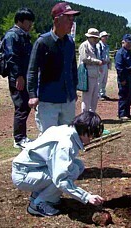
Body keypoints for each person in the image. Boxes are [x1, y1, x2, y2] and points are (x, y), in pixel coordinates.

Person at [11, 111, 105, 217]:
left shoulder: (65, 129)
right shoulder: (65, 144)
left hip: (33, 169)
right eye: (92, 136)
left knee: (78, 165)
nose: (90, 140)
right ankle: (37, 205)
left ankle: (39, 195)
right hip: (24, 175)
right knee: (71, 171)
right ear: (85, 131)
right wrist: (86, 196)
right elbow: (61, 179)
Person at [27, 2, 80, 134]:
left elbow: (73, 67)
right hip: (48, 100)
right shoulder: (42, 42)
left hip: (68, 99)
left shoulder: (70, 42)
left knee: (67, 136)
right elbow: (32, 70)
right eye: (68, 19)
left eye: (72, 19)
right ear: (57, 20)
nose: (71, 22)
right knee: (48, 138)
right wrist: (32, 95)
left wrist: (73, 89)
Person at [3, 8, 35, 149]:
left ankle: (21, 136)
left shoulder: (23, 35)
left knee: (25, 106)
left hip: (25, 75)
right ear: (20, 21)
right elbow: (12, 57)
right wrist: (19, 76)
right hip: (18, 77)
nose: (31, 25)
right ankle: (19, 139)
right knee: (21, 106)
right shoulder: (12, 35)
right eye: (29, 21)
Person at [78, 28, 103, 112]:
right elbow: (84, 58)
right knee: (87, 98)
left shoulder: (96, 47)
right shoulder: (84, 45)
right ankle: (84, 116)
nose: (97, 39)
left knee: (95, 97)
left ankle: (92, 116)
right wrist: (97, 61)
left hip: (95, 75)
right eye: (95, 37)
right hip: (87, 74)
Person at [115, 34, 131, 120]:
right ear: (123, 42)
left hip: (130, 76)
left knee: (129, 96)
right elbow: (119, 67)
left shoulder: (128, 52)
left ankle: (127, 112)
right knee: (123, 95)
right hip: (124, 77)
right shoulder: (120, 53)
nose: (130, 44)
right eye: (128, 42)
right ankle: (122, 114)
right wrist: (122, 79)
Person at [96, 31, 111, 100]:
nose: (106, 37)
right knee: (100, 80)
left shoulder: (107, 46)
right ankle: (98, 94)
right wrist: (100, 65)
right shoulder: (99, 45)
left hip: (105, 64)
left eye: (106, 36)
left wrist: (108, 63)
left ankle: (103, 93)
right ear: (101, 37)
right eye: (104, 36)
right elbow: (98, 55)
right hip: (101, 64)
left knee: (104, 79)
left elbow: (107, 55)